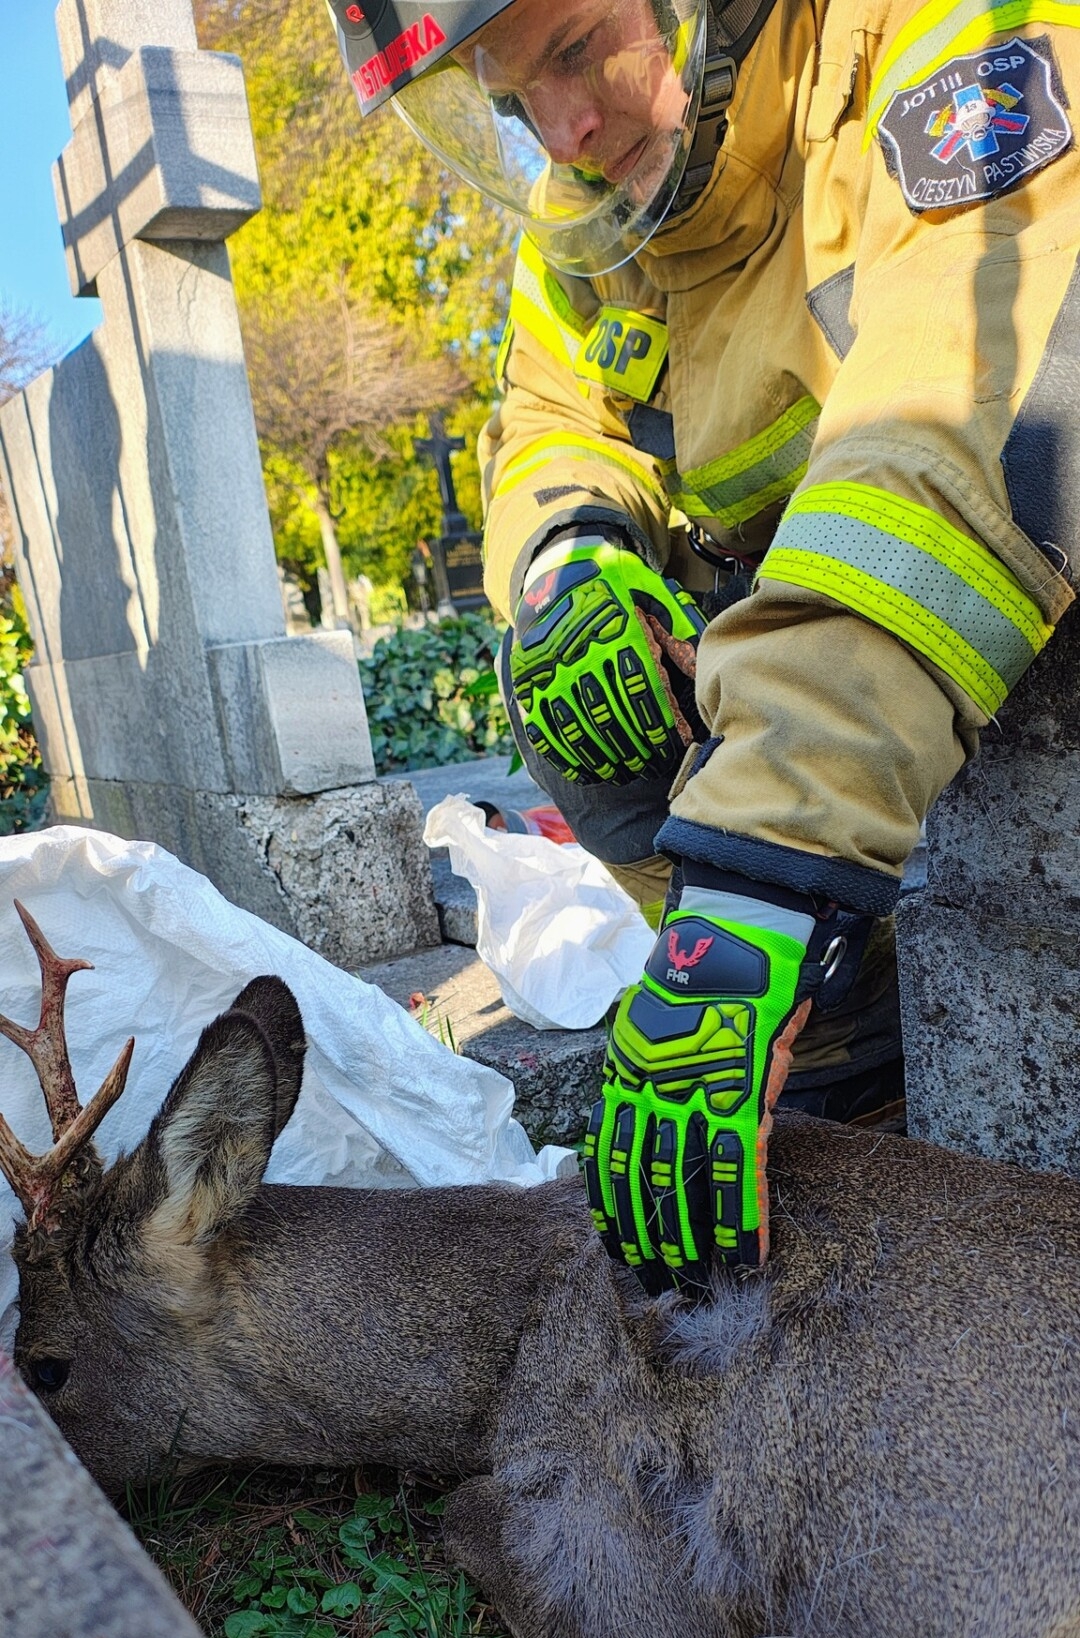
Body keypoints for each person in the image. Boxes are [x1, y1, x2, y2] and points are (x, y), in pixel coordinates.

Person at [327, 0, 1079, 1294]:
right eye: (513, 101)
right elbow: (553, 434)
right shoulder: (591, 227)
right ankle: (837, 1052)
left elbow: (965, 424)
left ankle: (786, 982)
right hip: (839, 680)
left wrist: (752, 883)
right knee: (567, 663)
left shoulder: (947, 36)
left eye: (574, 47)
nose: (564, 126)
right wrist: (574, 564)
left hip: (1009, 592)